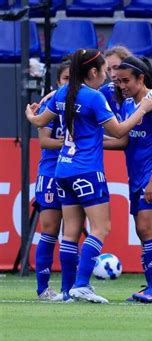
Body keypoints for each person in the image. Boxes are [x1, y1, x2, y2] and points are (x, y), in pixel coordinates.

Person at [26, 48, 152, 304]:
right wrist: (142, 109)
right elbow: (120, 131)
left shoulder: (63, 93)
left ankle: (67, 291)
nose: (109, 78)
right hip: (87, 170)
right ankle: (82, 284)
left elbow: (38, 120)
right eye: (105, 71)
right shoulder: (94, 98)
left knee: (71, 232)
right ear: (94, 72)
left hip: (62, 170)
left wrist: (29, 113)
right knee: (101, 228)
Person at [104, 56, 152, 303]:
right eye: (119, 81)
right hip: (137, 176)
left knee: (145, 228)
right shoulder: (130, 104)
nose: (121, 86)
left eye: (126, 81)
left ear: (141, 78)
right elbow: (124, 140)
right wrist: (91, 142)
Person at [34, 58, 70, 300]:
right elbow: (44, 141)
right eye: (66, 79)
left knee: (72, 232)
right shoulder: (50, 105)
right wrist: (71, 143)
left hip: (74, 172)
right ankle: (43, 288)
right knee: (49, 230)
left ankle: (71, 288)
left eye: (73, 78)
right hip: (50, 174)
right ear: (58, 82)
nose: (70, 83)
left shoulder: (86, 104)